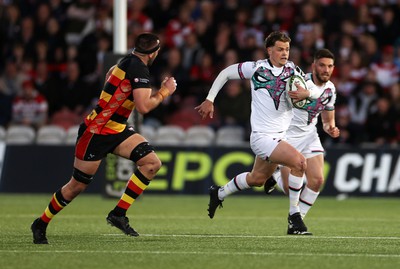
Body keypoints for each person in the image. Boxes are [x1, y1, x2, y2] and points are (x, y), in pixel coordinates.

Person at [30, 33, 177, 244]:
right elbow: (144, 107)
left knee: (151, 163)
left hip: (116, 129)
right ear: (153, 53)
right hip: (96, 132)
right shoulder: (138, 68)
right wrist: (165, 92)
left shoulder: (126, 61)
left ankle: (118, 214)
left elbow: (109, 74)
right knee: (76, 187)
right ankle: (41, 222)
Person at [195, 31, 322, 235]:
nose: (284, 53)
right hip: (262, 137)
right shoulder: (256, 68)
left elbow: (316, 90)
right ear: (269, 50)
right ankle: (294, 218)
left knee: (257, 179)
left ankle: (218, 193)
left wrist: (307, 92)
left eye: (287, 49)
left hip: (281, 137)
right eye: (280, 49)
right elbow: (226, 72)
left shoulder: (293, 70)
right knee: (299, 163)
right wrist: (210, 99)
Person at [264, 49, 340, 224]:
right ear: (313, 66)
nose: (325, 70)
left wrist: (331, 129)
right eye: (322, 65)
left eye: (329, 66)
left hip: (309, 135)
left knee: (317, 180)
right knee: (290, 190)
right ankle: (275, 174)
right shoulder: (298, 82)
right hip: (288, 137)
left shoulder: (330, 89)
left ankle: (297, 219)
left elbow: (328, 121)